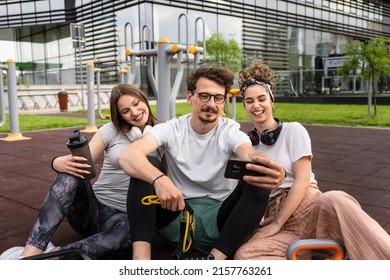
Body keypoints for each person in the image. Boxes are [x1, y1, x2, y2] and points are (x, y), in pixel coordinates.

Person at [117, 66, 286, 260]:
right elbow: (128, 156)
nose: (211, 104)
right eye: (204, 96)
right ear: (190, 97)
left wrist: (273, 170)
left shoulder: (230, 131)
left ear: (224, 102)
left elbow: (248, 153)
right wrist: (160, 180)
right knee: (144, 165)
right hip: (176, 215)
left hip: (221, 225)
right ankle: (140, 263)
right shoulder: (171, 128)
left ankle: (213, 261)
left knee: (258, 178)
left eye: (218, 98)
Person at [234, 58, 390, 260]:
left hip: (309, 207)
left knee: (335, 199)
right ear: (244, 105)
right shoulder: (245, 144)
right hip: (279, 220)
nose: (256, 105)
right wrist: (272, 223)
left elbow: (302, 180)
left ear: (272, 100)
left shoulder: (293, 130)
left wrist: (276, 223)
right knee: (245, 256)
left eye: (261, 99)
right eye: (249, 101)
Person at [0, 84, 161, 260]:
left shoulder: (163, 133)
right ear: (119, 115)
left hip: (125, 219)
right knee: (73, 169)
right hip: (92, 210)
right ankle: (29, 255)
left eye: (137, 103)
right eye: (125, 110)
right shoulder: (110, 130)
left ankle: (51, 256)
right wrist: (56, 162)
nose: (135, 112)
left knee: (134, 234)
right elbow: (84, 161)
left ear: (145, 100)